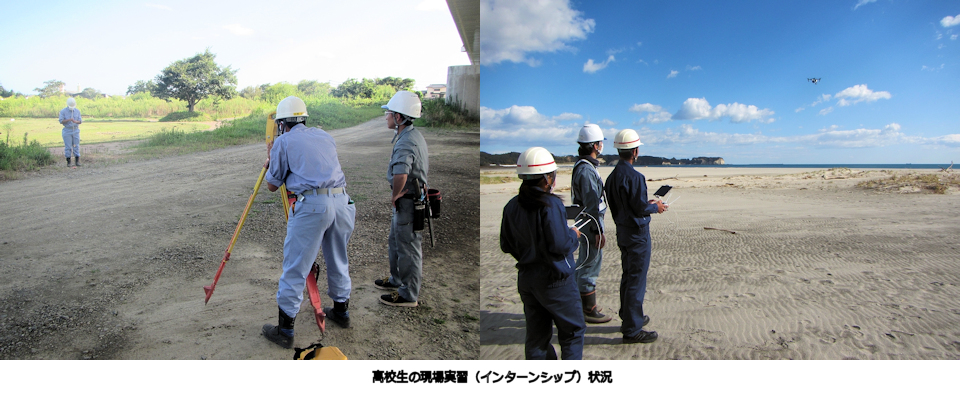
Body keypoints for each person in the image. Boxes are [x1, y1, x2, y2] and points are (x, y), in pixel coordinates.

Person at [261, 96, 356, 348]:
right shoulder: (324, 136)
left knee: (295, 266)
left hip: (313, 206)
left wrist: (272, 160)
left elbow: (272, 185)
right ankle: (341, 311)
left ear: (282, 124)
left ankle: (285, 330)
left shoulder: (283, 142)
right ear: (303, 118)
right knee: (338, 258)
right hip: (342, 201)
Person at [500, 147, 586, 360]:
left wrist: (529, 253)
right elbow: (559, 244)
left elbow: (506, 244)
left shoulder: (511, 206)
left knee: (537, 339)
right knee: (573, 333)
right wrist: (574, 234)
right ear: (548, 178)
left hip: (528, 279)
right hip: (556, 280)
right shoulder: (551, 204)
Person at [603, 129, 667, 344]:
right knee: (636, 281)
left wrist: (648, 205)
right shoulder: (635, 177)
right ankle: (632, 329)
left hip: (622, 231)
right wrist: (655, 207)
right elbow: (639, 208)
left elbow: (630, 206)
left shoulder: (612, 178)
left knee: (628, 277)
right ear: (635, 151)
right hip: (636, 233)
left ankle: (630, 317)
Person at [374, 91, 429, 307]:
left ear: (398, 118)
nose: (386, 117)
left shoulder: (406, 141)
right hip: (407, 201)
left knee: (408, 247)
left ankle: (408, 294)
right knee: (396, 241)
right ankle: (397, 279)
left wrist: (395, 194)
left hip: (407, 201)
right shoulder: (409, 135)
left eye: (388, 113)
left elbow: (401, 173)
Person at [571, 124, 612, 324]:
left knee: (586, 261)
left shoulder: (584, 166)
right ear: (596, 145)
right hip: (591, 222)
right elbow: (591, 202)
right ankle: (588, 308)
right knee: (590, 262)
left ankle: (580, 304)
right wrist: (597, 230)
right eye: (601, 143)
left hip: (588, 221)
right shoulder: (586, 170)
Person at [58, 97, 82, 167]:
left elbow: (80, 121)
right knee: (68, 147)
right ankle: (68, 162)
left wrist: (75, 121)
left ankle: (77, 161)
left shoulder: (77, 111)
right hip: (67, 130)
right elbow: (61, 121)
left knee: (76, 146)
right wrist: (69, 120)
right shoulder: (63, 111)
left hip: (76, 130)